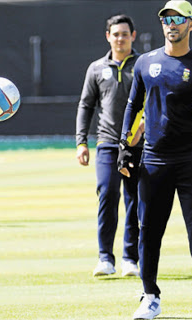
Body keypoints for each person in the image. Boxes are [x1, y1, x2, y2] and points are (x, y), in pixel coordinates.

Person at [118, 0, 192, 320]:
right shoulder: (145, 64)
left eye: (179, 19)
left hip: (191, 160)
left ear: (191, 25)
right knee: (149, 229)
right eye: (166, 19)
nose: (171, 24)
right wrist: (125, 144)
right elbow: (132, 106)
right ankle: (150, 296)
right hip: (152, 161)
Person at [76, 14, 142, 278]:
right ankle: (105, 258)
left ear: (133, 36)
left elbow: (153, 102)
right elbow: (86, 106)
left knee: (135, 200)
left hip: (138, 145)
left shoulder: (143, 65)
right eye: (116, 34)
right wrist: (81, 141)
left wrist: (142, 130)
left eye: (125, 34)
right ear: (108, 36)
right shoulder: (96, 68)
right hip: (107, 143)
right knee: (107, 195)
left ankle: (130, 259)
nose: (120, 38)